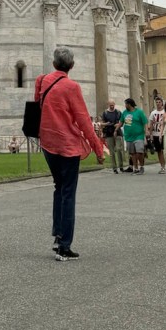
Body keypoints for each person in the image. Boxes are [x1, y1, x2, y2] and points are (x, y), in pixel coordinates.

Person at [34, 46, 106, 259]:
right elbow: (83, 120)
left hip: (48, 143)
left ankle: (58, 236)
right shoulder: (72, 87)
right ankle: (64, 245)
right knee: (68, 193)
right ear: (72, 66)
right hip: (67, 146)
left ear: (54, 63)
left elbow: (38, 106)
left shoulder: (42, 81)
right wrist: (98, 148)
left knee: (59, 188)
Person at [121, 97, 148, 173]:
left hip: (139, 135)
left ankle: (141, 166)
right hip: (129, 136)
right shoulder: (124, 113)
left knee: (139, 151)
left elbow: (145, 122)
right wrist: (116, 129)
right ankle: (136, 168)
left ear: (129, 104)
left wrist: (146, 131)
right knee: (132, 153)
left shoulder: (139, 112)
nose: (125, 105)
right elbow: (121, 122)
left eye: (126, 104)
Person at [101, 100, 125, 174]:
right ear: (108, 105)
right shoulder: (105, 113)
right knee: (111, 151)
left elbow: (122, 122)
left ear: (114, 104)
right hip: (109, 133)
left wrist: (118, 125)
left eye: (113, 105)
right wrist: (107, 124)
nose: (112, 106)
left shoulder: (118, 112)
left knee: (118, 149)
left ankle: (121, 166)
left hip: (117, 132)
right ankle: (114, 168)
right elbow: (102, 123)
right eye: (110, 105)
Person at [146, 97, 166, 173]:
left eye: (159, 102)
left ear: (162, 103)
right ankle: (162, 166)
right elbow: (151, 124)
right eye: (157, 102)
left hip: (164, 133)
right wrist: (150, 134)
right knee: (159, 151)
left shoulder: (165, 112)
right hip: (155, 133)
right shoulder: (153, 113)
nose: (158, 104)